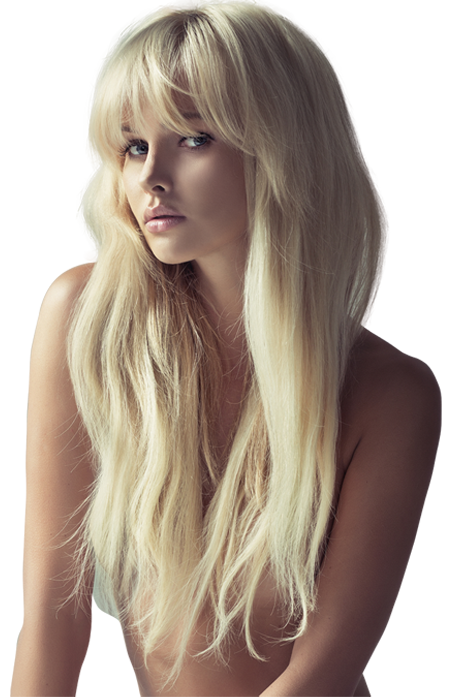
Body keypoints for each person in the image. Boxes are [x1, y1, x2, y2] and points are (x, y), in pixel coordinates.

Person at [12, 3, 441, 696]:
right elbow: (55, 608)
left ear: (284, 149)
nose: (151, 176)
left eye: (193, 137)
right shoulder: (87, 321)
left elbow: (319, 675)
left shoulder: (389, 394)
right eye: (133, 146)